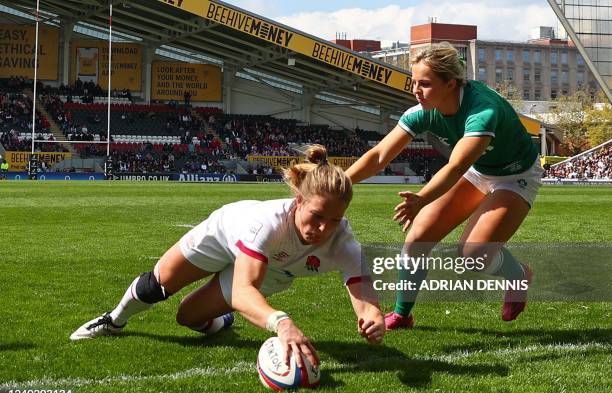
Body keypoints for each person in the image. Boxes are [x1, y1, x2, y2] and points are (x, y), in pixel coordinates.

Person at [70, 145, 384, 368]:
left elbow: (361, 288)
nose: (323, 228)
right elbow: (244, 289)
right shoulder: (266, 223)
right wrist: (281, 322)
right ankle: (114, 320)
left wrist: (373, 317)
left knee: (188, 317)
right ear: (299, 201)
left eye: (333, 220)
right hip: (223, 235)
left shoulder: (342, 240)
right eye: (316, 215)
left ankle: (225, 319)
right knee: (159, 284)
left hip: (271, 271)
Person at [346, 42, 542, 330]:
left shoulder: (482, 109)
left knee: (472, 254)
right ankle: (403, 314)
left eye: (424, 84)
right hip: (479, 170)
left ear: (451, 84)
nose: (415, 90)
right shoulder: (423, 110)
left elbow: (456, 166)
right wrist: (341, 181)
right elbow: (378, 155)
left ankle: (519, 274)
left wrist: (422, 199)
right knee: (417, 239)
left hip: (516, 175)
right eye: (414, 82)